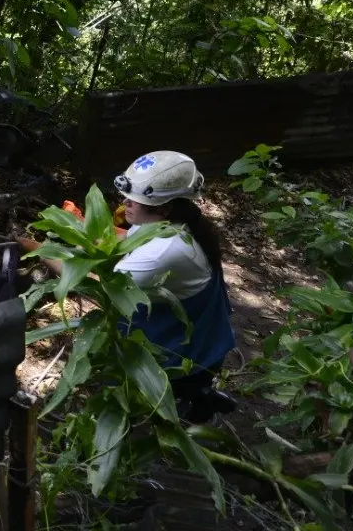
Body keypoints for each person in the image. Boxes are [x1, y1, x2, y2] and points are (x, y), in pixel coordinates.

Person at [21, 151, 237, 423]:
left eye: (134, 200)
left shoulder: (165, 249)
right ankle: (199, 394)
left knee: (160, 399)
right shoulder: (172, 221)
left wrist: (36, 249)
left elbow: (93, 283)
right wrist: (78, 227)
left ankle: (197, 404)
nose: (124, 203)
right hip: (192, 329)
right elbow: (123, 237)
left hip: (186, 350)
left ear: (165, 208)